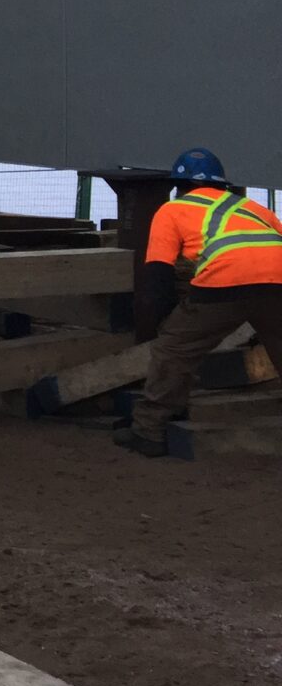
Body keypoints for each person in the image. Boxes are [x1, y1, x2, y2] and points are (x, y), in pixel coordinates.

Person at [115, 148, 282, 458]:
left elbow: (158, 273)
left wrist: (162, 322)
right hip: (279, 280)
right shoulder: (252, 207)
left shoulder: (172, 210)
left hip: (224, 280)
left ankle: (149, 431)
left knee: (173, 350)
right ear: (222, 183)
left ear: (179, 185)